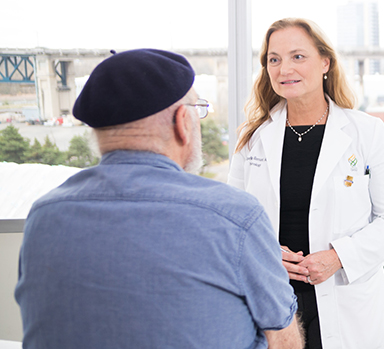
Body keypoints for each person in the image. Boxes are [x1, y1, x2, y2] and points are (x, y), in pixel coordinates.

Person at [15, 49, 303, 348]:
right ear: (183, 122)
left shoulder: (44, 216)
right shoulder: (234, 217)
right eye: (197, 109)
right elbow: (284, 341)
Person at [228, 18, 384, 349]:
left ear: (325, 62)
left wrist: (339, 256)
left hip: (346, 295)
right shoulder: (254, 138)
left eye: (298, 56)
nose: (284, 68)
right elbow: (233, 223)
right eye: (274, 59)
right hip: (275, 294)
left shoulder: (365, 131)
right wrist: (266, 253)